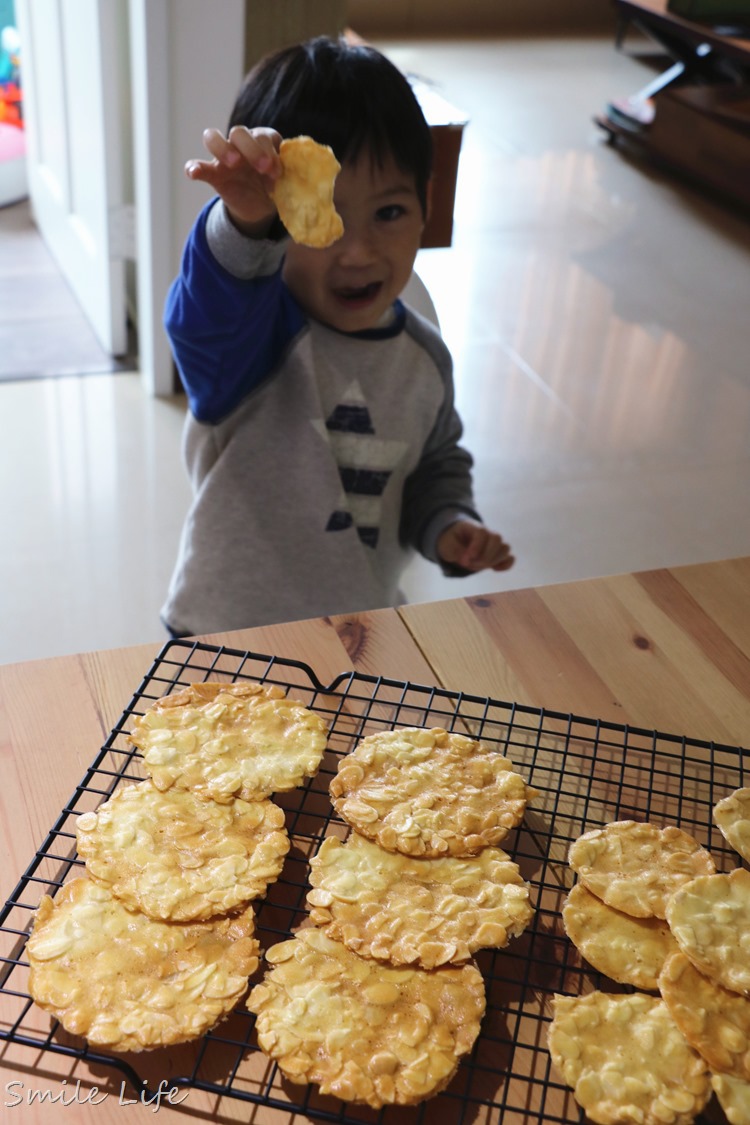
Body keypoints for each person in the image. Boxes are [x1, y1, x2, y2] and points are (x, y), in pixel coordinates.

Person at [161, 35, 513, 638]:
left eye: (390, 213)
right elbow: (208, 310)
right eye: (325, 217)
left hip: (361, 630)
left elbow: (435, 460)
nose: (359, 251)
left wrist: (447, 521)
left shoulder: (424, 355)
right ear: (279, 219)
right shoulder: (251, 339)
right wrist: (244, 223)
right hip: (227, 637)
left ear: (425, 206)